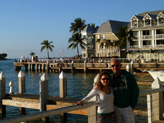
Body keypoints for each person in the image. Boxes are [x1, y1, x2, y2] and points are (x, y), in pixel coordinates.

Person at [109, 57, 139, 123]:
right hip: (116, 107)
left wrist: (132, 105)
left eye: (117, 65)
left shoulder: (128, 76)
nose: (115, 67)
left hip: (128, 108)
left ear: (120, 66)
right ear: (110, 67)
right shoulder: (109, 78)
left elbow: (136, 90)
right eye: (113, 66)